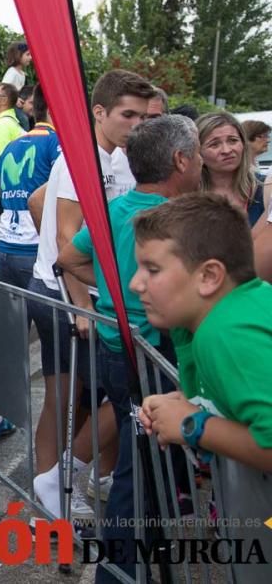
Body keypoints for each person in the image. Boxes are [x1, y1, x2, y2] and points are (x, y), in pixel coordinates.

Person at [57, 114, 203, 584]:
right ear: (181, 160)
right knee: (137, 475)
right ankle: (116, 573)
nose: (200, 161)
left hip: (119, 349)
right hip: (151, 355)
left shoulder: (115, 210)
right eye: (198, 152)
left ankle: (143, 562)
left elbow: (70, 259)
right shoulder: (177, 220)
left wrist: (112, 292)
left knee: (146, 465)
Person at [26, 69, 155, 520]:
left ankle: (68, 477)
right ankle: (51, 490)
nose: (136, 124)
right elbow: (68, 235)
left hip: (95, 295)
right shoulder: (79, 159)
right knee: (63, 398)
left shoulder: (120, 156)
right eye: (127, 114)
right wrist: (83, 305)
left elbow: (37, 200)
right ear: (99, 112)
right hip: (61, 293)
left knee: (99, 396)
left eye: (142, 116)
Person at [133, 193, 272, 584]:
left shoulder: (224, 333)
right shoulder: (243, 304)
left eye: (152, 269)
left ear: (209, 276)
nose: (135, 283)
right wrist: (189, 404)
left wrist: (194, 425)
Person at [0, 84, 61, 446]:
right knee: (53, 344)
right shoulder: (58, 145)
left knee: (8, 339)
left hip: (6, 252)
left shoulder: (14, 144)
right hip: (38, 256)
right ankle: (57, 426)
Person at [196, 112, 258, 222]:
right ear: (198, 152)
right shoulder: (187, 195)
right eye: (214, 144)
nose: (227, 150)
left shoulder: (264, 190)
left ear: (243, 143)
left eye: (233, 140)